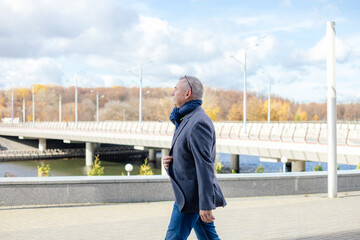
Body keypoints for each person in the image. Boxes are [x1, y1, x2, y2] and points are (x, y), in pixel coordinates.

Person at [163, 75, 226, 240]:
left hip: (191, 197)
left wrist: (205, 205)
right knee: (208, 237)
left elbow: (205, 166)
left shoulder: (198, 122)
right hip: (189, 194)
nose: (172, 93)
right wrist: (172, 162)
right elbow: (190, 155)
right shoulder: (185, 118)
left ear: (187, 93)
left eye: (175, 89)